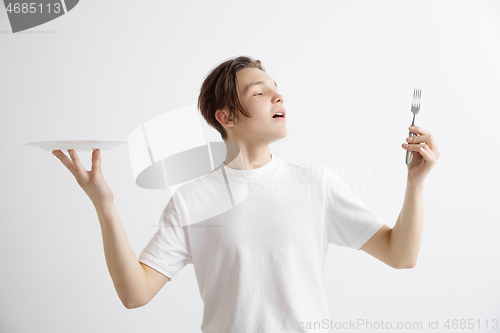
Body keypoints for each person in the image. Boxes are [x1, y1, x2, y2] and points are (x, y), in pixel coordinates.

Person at [52, 56, 440, 332]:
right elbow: (134, 294)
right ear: (227, 117)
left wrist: (415, 184)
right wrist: (104, 205)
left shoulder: (314, 184)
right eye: (260, 93)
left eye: (277, 90)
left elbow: (400, 255)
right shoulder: (192, 201)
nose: (278, 98)